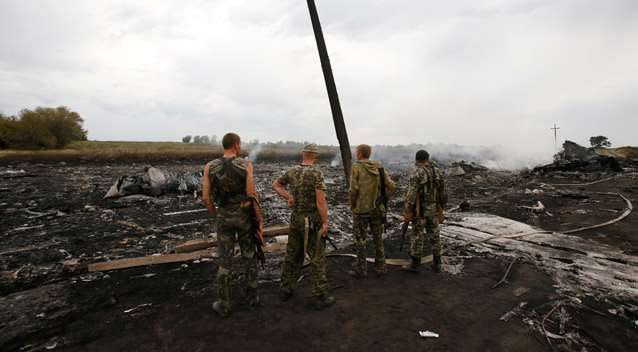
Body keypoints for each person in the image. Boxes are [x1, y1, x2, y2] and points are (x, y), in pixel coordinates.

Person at [202, 132, 264, 317]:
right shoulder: (246, 165)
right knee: (249, 256)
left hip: (223, 217)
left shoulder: (210, 166)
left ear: (224, 145)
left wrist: (217, 214)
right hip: (244, 217)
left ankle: (224, 303)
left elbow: (205, 197)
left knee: (225, 260)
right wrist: (259, 220)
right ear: (236, 144)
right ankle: (252, 298)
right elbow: (251, 194)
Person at [272, 143, 335, 310]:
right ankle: (321, 295)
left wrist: (289, 197)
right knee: (317, 256)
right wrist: (325, 222)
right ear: (315, 156)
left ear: (303, 154)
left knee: (293, 254)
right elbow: (320, 201)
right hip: (312, 221)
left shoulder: (292, 171)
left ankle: (286, 289)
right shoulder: (317, 174)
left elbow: (276, 185)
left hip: (296, 220)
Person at [348, 144, 395, 278]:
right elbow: (391, 185)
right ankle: (381, 267)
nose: (356, 153)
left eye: (357, 151)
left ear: (360, 153)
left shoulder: (356, 167)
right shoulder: (379, 166)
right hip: (377, 209)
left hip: (361, 210)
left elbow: (353, 190)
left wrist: (353, 205)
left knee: (360, 240)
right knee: (378, 237)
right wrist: (383, 199)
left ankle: (361, 269)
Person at [403, 149, 447, 273]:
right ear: (427, 158)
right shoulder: (437, 171)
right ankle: (437, 264)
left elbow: (411, 195)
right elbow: (443, 192)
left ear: (417, 160)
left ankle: (415, 265)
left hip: (419, 211)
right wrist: (441, 208)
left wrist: (407, 211)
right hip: (433, 210)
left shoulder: (417, 173)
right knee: (435, 236)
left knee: (417, 236)